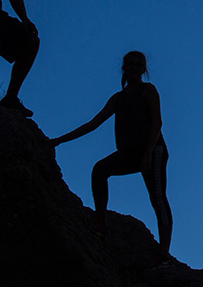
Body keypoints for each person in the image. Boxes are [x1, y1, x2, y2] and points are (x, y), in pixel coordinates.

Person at [50, 51, 173, 259]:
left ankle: (163, 255)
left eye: (138, 64)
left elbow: (156, 123)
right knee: (100, 169)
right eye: (130, 64)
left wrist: (148, 154)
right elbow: (92, 124)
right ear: (124, 67)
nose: (134, 68)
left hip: (154, 151)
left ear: (144, 69)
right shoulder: (118, 99)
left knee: (158, 198)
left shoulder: (148, 91)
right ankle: (100, 223)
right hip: (130, 153)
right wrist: (58, 140)